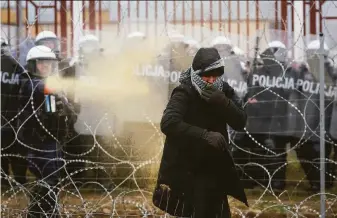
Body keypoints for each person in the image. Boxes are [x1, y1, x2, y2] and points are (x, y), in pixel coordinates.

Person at [153, 47, 248, 218]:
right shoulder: (185, 91)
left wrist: (223, 102)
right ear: (196, 74)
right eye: (206, 76)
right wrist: (204, 135)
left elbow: (240, 121)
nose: (211, 81)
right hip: (189, 169)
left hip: (215, 167)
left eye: (215, 76)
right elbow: (169, 123)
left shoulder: (224, 90)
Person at [18, 45, 76, 217]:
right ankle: (48, 213)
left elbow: (63, 112)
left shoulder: (47, 85)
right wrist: (61, 108)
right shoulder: (34, 84)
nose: (45, 66)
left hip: (49, 140)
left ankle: (37, 212)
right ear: (32, 65)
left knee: (46, 181)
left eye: (49, 63)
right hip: (42, 141)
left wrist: (66, 109)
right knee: (49, 181)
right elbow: (51, 112)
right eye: (41, 63)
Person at [1, 36, 28, 186]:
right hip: (15, 119)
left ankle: (4, 181)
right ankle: (19, 181)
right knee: (17, 153)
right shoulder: (16, 66)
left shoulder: (15, 66)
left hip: (9, 119)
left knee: (4, 153)